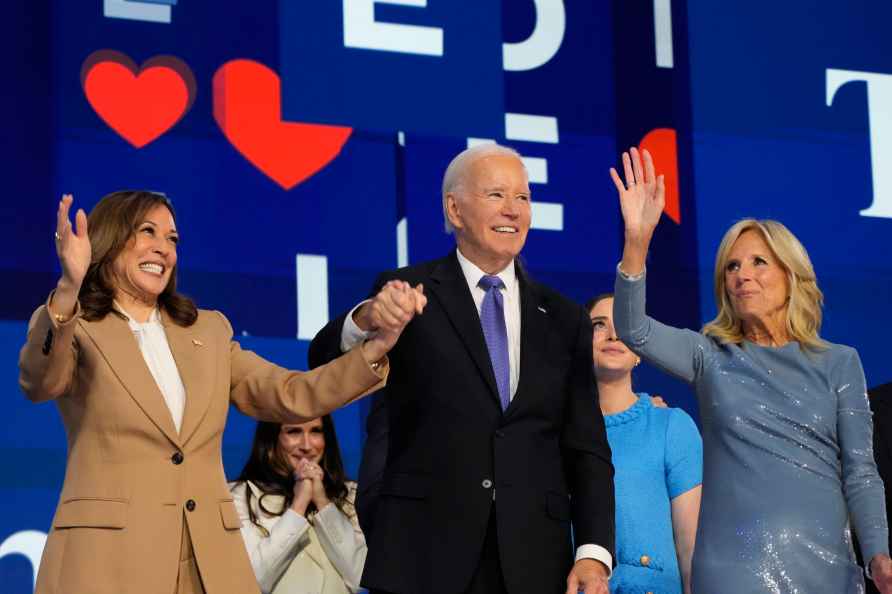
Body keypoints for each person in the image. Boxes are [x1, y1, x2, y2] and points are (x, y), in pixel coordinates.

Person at [18, 191, 419, 594]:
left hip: (206, 563)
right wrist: (69, 288)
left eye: (172, 239)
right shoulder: (75, 323)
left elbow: (292, 393)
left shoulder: (207, 332)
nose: (164, 248)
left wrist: (376, 348)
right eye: (147, 232)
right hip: (108, 561)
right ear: (109, 239)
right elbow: (40, 381)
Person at [309, 144, 615, 594]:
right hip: (424, 554)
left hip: (532, 561)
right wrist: (369, 318)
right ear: (455, 209)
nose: (513, 210)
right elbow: (322, 361)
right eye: (496, 195)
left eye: (524, 198)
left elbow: (587, 447)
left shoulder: (564, 318)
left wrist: (593, 553)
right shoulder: (407, 294)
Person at [608, 147, 892, 593]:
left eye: (759, 262)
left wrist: (878, 553)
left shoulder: (841, 362)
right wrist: (637, 241)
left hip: (826, 570)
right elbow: (633, 329)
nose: (743, 274)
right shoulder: (709, 355)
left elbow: (860, 471)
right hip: (731, 572)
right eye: (732, 267)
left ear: (791, 273)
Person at [586, 293, 701, 594]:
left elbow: (691, 548)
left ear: (640, 351)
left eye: (624, 324)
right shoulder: (554, 432)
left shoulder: (671, 426)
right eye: (599, 325)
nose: (613, 334)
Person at [229, 416, 365, 594]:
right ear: (271, 439)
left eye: (316, 431)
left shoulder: (350, 495)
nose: (307, 446)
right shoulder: (239, 496)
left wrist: (323, 502)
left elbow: (360, 578)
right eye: (293, 431)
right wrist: (298, 506)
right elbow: (253, 580)